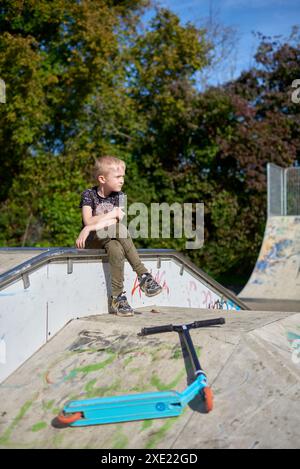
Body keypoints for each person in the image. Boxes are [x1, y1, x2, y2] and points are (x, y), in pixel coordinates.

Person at [76, 155, 162, 317]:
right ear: (102, 179)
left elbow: (113, 221)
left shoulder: (120, 196)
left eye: (123, 176)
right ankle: (143, 275)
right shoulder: (88, 194)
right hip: (92, 241)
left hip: (109, 238)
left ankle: (118, 298)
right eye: (117, 177)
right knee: (119, 229)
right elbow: (88, 219)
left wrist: (90, 227)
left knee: (116, 248)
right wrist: (91, 227)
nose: (122, 180)